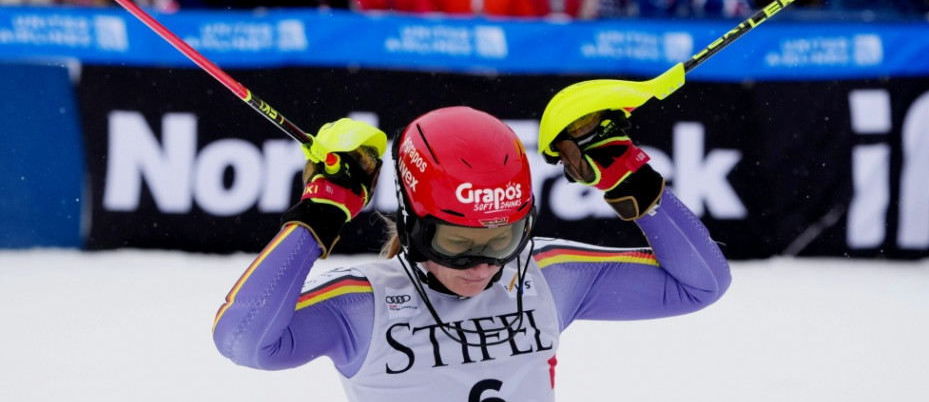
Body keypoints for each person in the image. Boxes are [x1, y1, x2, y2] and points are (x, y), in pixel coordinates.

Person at [213, 105, 731, 400]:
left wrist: (632, 179)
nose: (481, 267)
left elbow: (702, 284)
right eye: (456, 245)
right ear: (414, 225)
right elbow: (243, 342)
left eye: (501, 241)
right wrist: (318, 216)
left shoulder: (545, 275)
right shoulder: (363, 305)